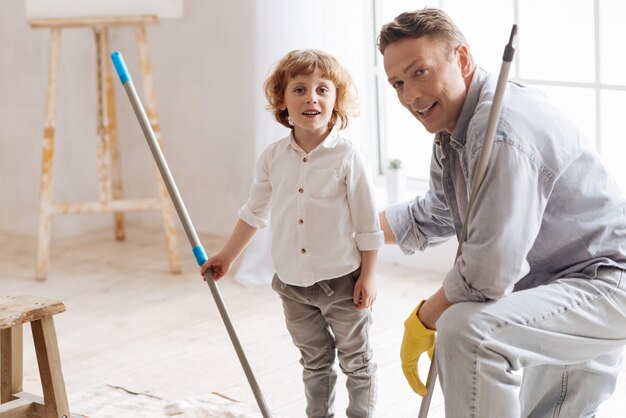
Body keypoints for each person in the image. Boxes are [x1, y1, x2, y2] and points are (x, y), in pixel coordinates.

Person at [377, 7, 626, 417]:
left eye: (419, 72)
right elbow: (441, 210)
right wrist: (355, 230)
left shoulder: (502, 129)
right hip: (556, 284)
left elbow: (488, 273)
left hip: (603, 283)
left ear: (461, 59)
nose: (409, 97)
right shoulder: (454, 131)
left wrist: (425, 317)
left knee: (468, 332)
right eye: (397, 83)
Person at [201, 49, 383, 418]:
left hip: (342, 283)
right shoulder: (272, 157)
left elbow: (368, 225)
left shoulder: (349, 157)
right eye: (299, 89)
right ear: (282, 101)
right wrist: (226, 256)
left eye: (322, 90)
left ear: (336, 101)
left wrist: (369, 274)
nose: (311, 98)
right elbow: (254, 213)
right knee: (314, 361)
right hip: (292, 286)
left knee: (357, 361)